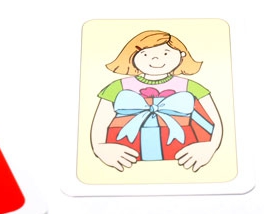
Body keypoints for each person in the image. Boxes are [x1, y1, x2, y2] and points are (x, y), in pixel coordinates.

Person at [91, 30, 223, 171]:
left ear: (182, 55)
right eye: (145, 54)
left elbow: (214, 121)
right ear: (131, 57)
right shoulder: (117, 87)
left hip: (181, 163)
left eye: (166, 53)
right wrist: (100, 148)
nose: (155, 59)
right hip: (129, 164)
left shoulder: (192, 87)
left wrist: (210, 146)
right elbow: (100, 121)